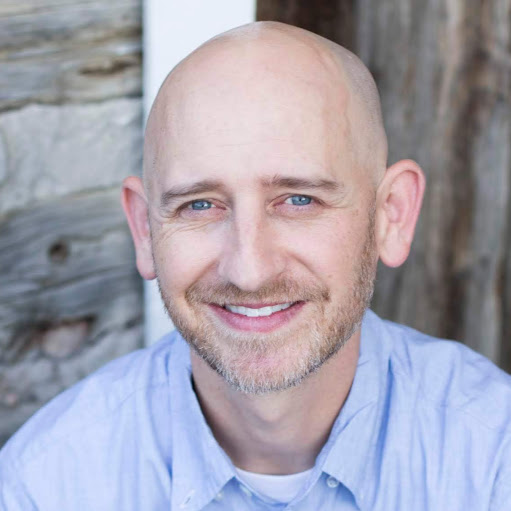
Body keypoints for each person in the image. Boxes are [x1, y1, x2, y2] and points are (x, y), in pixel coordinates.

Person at [0, 21, 510, 511]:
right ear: (144, 230)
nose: (250, 271)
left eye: (299, 200)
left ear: (390, 215)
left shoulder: (492, 458)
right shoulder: (46, 486)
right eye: (200, 205)